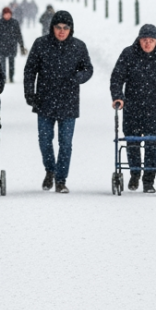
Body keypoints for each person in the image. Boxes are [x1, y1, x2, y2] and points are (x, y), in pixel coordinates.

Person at [23, 10, 93, 193]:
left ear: (71, 29)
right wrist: (29, 93)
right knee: (44, 140)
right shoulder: (40, 44)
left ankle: (61, 180)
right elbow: (30, 70)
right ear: (52, 28)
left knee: (66, 143)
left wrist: (80, 76)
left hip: (68, 101)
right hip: (44, 100)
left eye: (66, 28)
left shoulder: (79, 46)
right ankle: (50, 170)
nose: (62, 31)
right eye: (58, 27)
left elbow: (88, 68)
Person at [110, 24, 156, 193]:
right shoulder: (128, 54)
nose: (147, 44)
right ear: (139, 40)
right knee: (132, 142)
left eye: (151, 40)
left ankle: (149, 181)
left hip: (154, 108)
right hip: (132, 106)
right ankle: (135, 175)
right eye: (144, 40)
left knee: (152, 144)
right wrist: (118, 96)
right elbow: (117, 77)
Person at [0, 7, 26, 83]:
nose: (7, 16)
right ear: (3, 15)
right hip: (2, 47)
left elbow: (19, 35)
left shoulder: (15, 23)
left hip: (12, 46)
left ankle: (11, 77)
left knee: (11, 63)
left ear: (11, 14)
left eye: (8, 14)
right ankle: (3, 77)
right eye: (6, 14)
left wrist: (21, 45)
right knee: (2, 64)